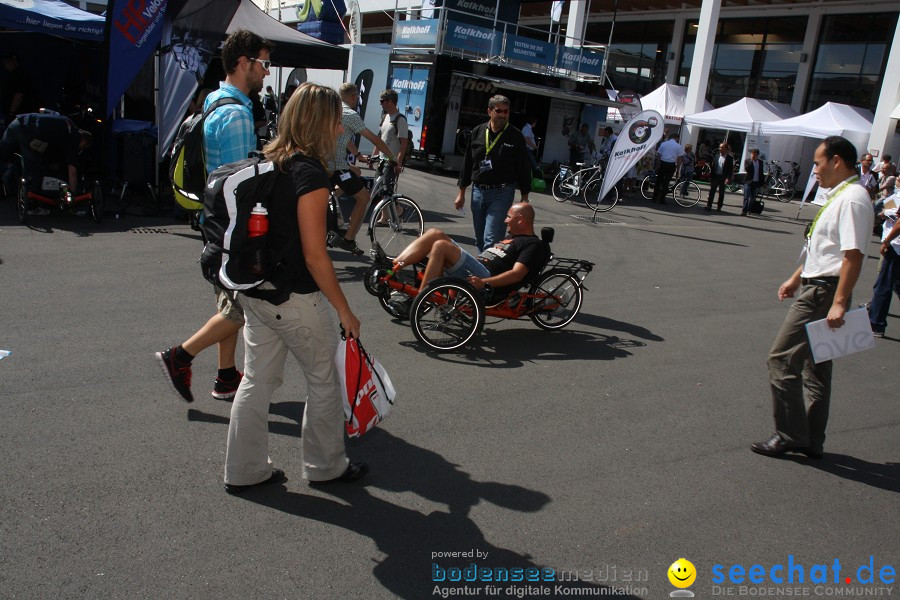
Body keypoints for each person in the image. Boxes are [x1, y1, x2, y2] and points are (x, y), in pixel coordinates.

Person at [223, 82, 367, 493]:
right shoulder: (311, 175)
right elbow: (315, 255)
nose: (341, 129)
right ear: (320, 122)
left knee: (256, 380)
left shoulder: (270, 161)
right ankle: (325, 467)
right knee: (325, 379)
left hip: (256, 290)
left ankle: (244, 470)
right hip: (294, 296)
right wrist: (344, 310)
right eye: (336, 121)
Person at [156, 29, 271, 403]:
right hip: (231, 225)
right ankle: (180, 356)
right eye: (264, 64)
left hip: (213, 220)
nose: (267, 73)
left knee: (228, 301)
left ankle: (225, 377)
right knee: (238, 308)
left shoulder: (214, 101)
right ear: (244, 63)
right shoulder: (237, 114)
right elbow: (241, 185)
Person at [751, 136, 874, 460]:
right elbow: (826, 248)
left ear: (836, 161)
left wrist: (839, 301)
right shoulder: (841, 196)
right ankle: (810, 439)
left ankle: (790, 434)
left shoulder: (853, 199)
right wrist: (795, 278)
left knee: (780, 358)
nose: (814, 170)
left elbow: (852, 255)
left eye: (818, 163)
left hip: (824, 291)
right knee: (816, 367)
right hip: (816, 285)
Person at [385, 202, 548, 315]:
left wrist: (484, 282)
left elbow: (516, 275)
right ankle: (391, 267)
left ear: (521, 220)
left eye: (509, 217)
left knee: (441, 246)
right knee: (434, 233)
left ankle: (421, 301)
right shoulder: (511, 237)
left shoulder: (532, 244)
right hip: (476, 268)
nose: (505, 220)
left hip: (485, 281)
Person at [454, 95, 531, 253]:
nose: (503, 114)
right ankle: (486, 271)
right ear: (489, 111)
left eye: (506, 111)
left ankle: (487, 275)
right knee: (480, 239)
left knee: (492, 239)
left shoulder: (515, 136)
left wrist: (525, 196)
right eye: (499, 111)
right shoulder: (477, 132)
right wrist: (461, 192)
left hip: (501, 193)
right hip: (478, 192)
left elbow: (523, 166)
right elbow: (468, 163)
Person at [327, 83, 395, 256]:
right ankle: (349, 240)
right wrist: (392, 157)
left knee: (356, 172)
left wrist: (358, 156)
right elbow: (374, 139)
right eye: (357, 96)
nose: (358, 99)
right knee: (364, 197)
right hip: (335, 165)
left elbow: (345, 136)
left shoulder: (332, 109)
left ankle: (334, 198)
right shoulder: (350, 114)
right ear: (352, 97)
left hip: (326, 161)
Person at [0, 112, 93, 215]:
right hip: (28, 132)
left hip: (18, 122)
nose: (81, 149)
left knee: (2, 153)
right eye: (84, 147)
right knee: (33, 168)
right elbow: (72, 171)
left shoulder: (68, 122)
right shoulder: (73, 139)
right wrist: (74, 195)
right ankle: (31, 206)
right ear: (84, 141)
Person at [867, 204, 900, 338]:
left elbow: (899, 224)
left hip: (897, 249)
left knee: (883, 285)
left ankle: (876, 324)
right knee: (897, 284)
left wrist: (887, 241)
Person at [373, 89, 408, 189]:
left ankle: (394, 205)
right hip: (381, 161)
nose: (380, 104)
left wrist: (399, 162)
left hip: (391, 163)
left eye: (382, 101)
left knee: (387, 192)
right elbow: (379, 139)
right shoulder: (385, 117)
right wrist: (374, 155)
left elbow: (404, 143)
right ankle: (394, 205)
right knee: (377, 191)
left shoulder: (400, 119)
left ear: (391, 102)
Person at [1, 53, 34, 127]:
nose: (5, 64)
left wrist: (11, 112)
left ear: (14, 62)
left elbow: (19, 95)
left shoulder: (19, 75)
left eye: (7, 62)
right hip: (13, 113)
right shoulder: (11, 75)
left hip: (18, 114)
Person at [653, 134, 684, 205]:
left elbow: (659, 156)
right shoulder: (678, 146)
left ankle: (654, 197)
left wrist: (658, 165)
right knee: (666, 182)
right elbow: (679, 159)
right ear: (677, 138)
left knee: (659, 181)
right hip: (671, 164)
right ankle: (662, 199)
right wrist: (678, 169)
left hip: (663, 163)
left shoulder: (663, 144)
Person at [705, 143, 734, 212]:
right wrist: (710, 176)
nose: (720, 149)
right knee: (712, 192)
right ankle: (709, 205)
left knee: (721, 193)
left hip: (723, 177)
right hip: (715, 176)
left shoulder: (730, 158)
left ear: (726, 149)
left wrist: (728, 178)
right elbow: (713, 166)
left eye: (722, 148)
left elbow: (730, 169)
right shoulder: (717, 156)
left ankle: (719, 206)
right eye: (720, 147)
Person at [741, 148, 764, 216]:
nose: (753, 156)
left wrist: (763, 183)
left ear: (757, 155)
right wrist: (751, 161)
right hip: (748, 181)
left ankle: (749, 209)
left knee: (753, 198)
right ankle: (744, 211)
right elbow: (747, 169)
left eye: (754, 154)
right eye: (752, 154)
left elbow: (761, 173)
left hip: (756, 182)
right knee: (746, 196)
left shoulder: (760, 162)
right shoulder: (747, 161)